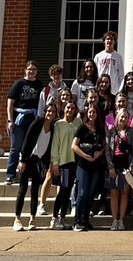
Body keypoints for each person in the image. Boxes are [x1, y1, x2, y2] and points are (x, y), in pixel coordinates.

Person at [12, 99, 55, 230]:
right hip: (29, 159)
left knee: (35, 189)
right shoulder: (37, 123)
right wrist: (23, 160)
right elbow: (27, 140)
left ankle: (32, 219)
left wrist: (47, 164)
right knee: (23, 188)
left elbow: (49, 148)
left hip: (40, 162)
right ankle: (17, 219)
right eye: (48, 111)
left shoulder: (53, 128)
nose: (50, 113)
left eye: (53, 112)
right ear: (44, 112)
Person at [71, 105, 106, 231]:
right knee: (82, 193)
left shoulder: (100, 129)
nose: (92, 114)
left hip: (96, 166)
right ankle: (77, 221)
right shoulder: (82, 128)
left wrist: (100, 153)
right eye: (90, 112)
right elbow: (74, 146)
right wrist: (86, 156)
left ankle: (85, 220)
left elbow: (104, 145)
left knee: (91, 194)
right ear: (87, 114)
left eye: (94, 112)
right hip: (83, 165)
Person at [5, 61, 41, 183]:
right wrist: (10, 120)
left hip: (33, 118)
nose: (31, 71)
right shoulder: (19, 84)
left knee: (30, 148)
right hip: (19, 118)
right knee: (16, 147)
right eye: (30, 69)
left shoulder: (39, 84)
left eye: (34, 69)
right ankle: (10, 175)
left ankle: (28, 174)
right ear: (25, 70)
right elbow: (10, 103)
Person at [49, 98, 81, 230]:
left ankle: (62, 217)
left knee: (68, 191)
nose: (70, 110)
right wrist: (55, 163)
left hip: (74, 161)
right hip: (63, 161)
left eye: (73, 108)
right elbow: (55, 144)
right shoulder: (59, 125)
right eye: (68, 108)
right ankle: (54, 218)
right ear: (64, 109)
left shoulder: (78, 123)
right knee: (62, 191)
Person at [106, 106, 133, 230]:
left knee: (124, 192)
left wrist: (132, 167)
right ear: (117, 118)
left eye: (126, 117)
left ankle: (121, 220)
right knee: (114, 192)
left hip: (125, 164)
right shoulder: (111, 131)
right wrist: (110, 166)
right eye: (121, 117)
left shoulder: (130, 131)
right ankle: (114, 220)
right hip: (114, 163)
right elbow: (107, 150)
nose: (123, 119)